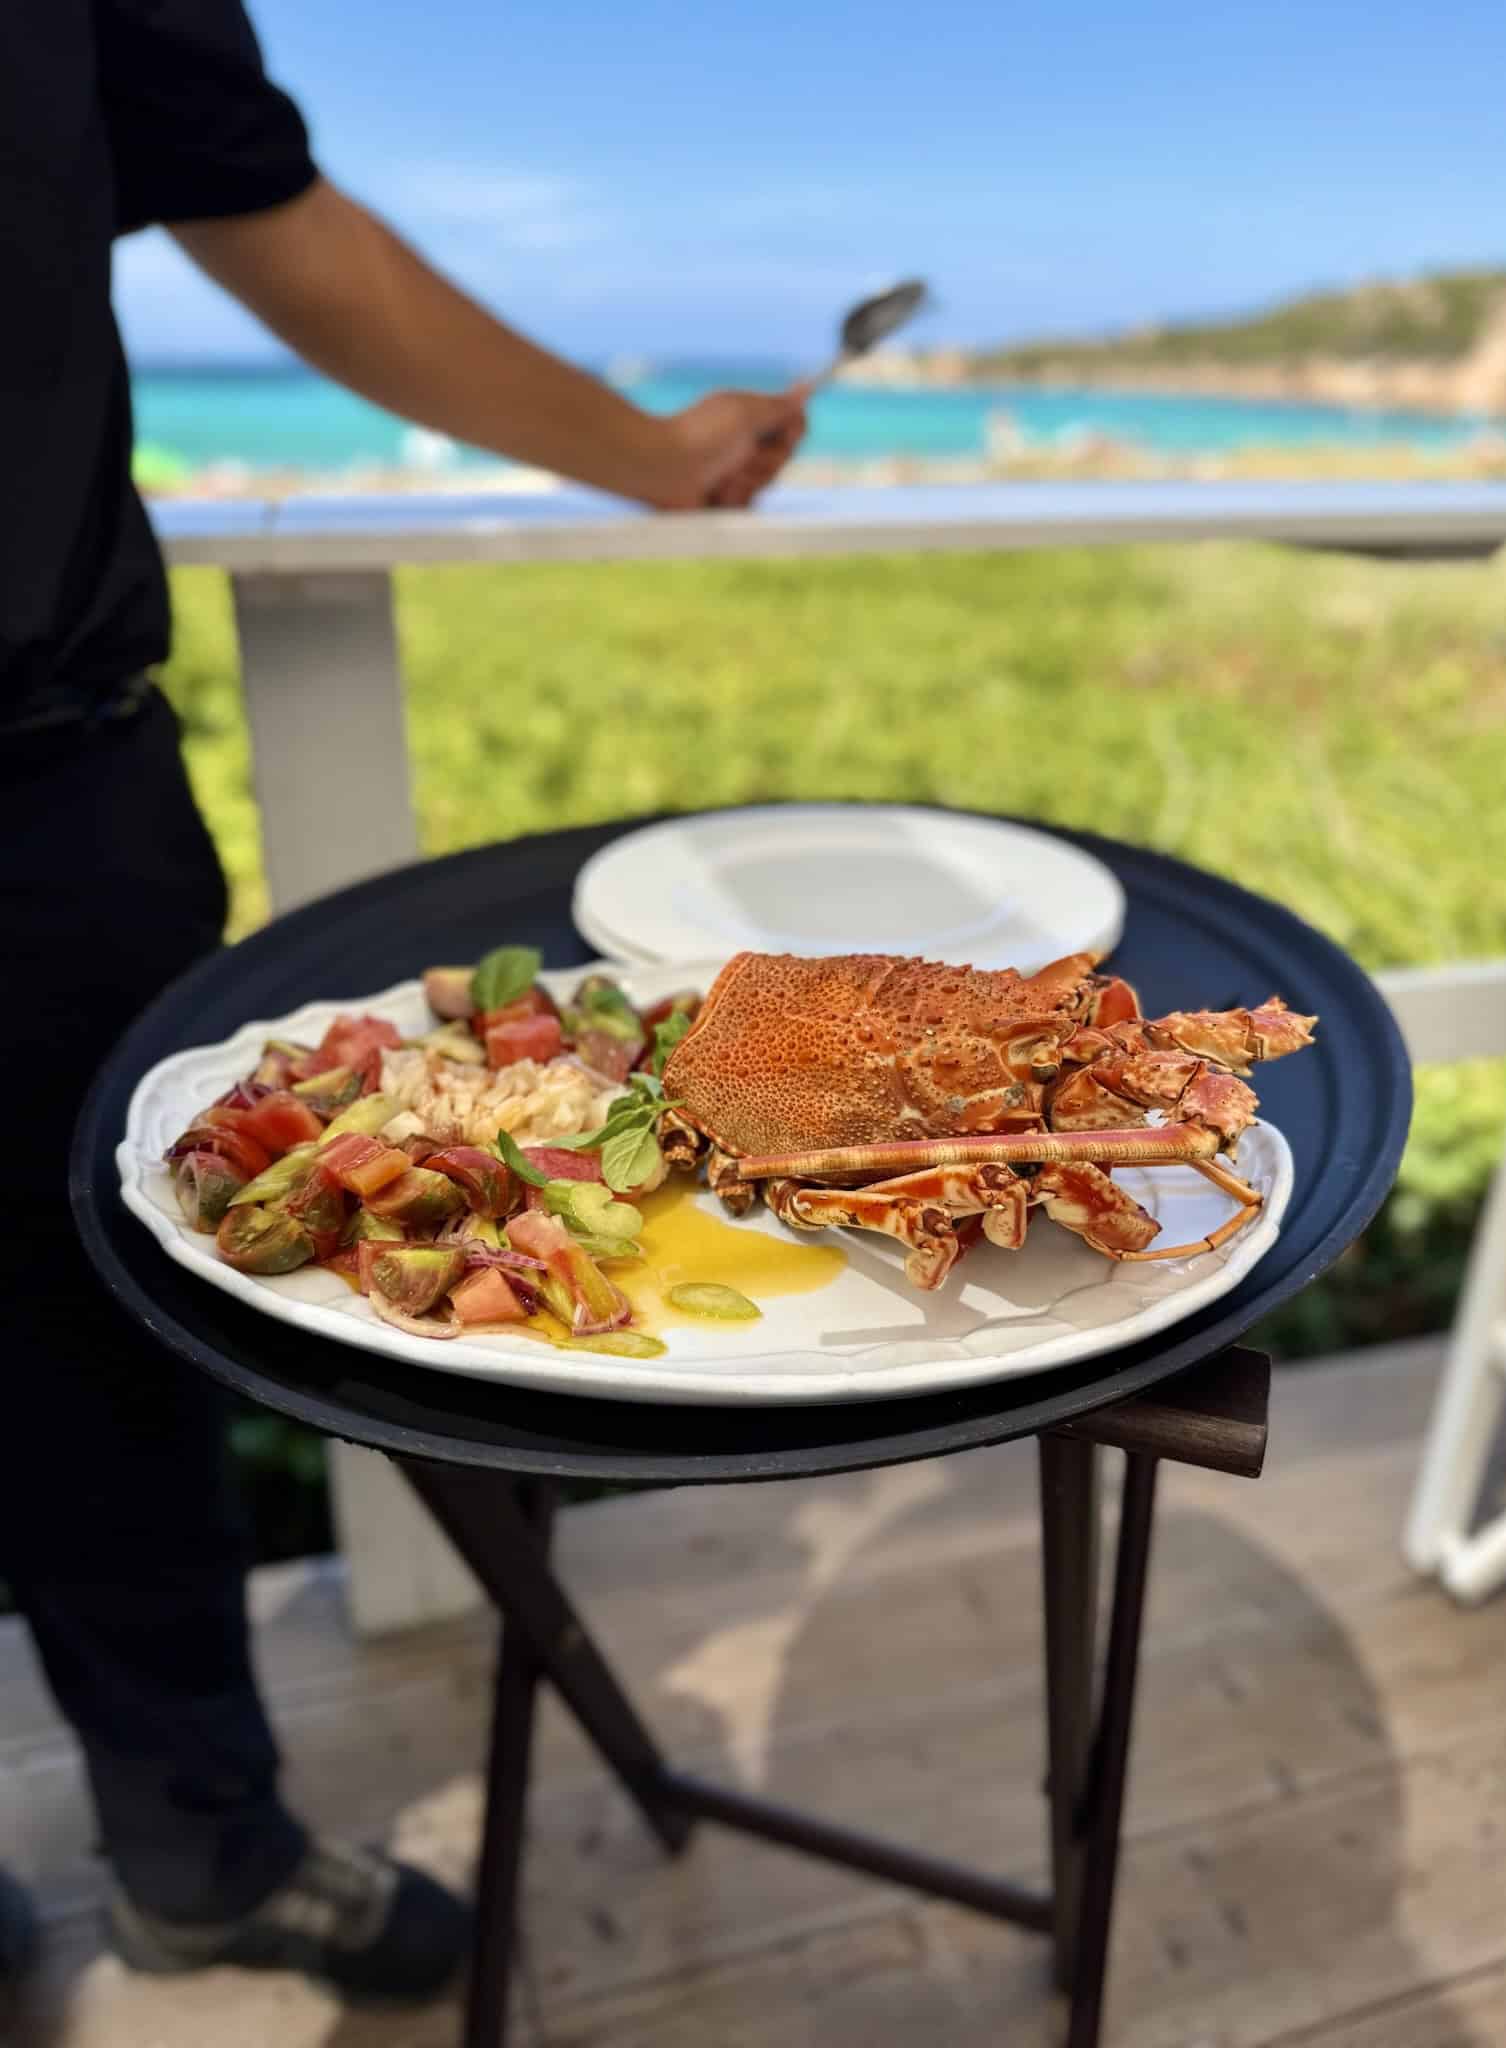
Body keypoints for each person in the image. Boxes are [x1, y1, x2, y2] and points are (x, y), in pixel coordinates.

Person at [0, 0, 806, 2004]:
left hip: (47, 769)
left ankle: (206, 1849)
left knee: (118, 1363)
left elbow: (274, 211)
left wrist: (645, 452)